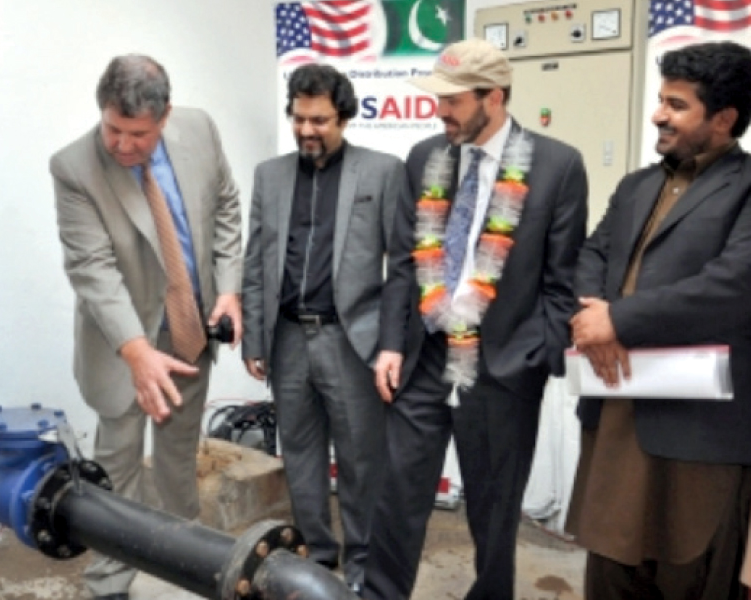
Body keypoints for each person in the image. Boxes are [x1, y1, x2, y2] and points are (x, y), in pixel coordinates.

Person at [363, 39, 588, 600]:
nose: (440, 113)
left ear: (494, 96)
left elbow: (563, 281)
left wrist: (534, 356)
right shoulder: (424, 158)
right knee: (398, 495)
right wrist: (391, 343)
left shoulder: (557, 165)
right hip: (425, 354)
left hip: (502, 361)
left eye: (453, 101)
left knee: (494, 509)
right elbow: (404, 263)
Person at [50, 55, 242, 600]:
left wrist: (228, 287)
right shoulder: (73, 168)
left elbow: (225, 205)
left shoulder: (199, 129)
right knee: (117, 466)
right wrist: (136, 352)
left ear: (166, 117)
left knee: (179, 461)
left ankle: (185, 565)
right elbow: (92, 269)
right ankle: (110, 580)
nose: (122, 144)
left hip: (186, 331)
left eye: (138, 133)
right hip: (122, 342)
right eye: (113, 127)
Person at [566, 41, 751, 599]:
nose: (658, 115)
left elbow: (734, 285)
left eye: (676, 104)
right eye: (660, 100)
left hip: (700, 431)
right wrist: (592, 316)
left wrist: (619, 321)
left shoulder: (745, 187)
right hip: (617, 408)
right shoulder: (638, 185)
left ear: (723, 119)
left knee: (687, 572)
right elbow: (592, 254)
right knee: (610, 573)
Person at [241, 63, 407, 592]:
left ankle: (361, 570)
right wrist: (255, 336)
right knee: (302, 458)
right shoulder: (270, 175)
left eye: (320, 120)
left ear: (344, 117)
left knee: (361, 463)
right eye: (299, 118)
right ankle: (316, 558)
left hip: (350, 340)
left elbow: (401, 266)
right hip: (286, 339)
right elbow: (255, 262)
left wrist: (391, 344)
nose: (308, 130)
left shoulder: (381, 172)